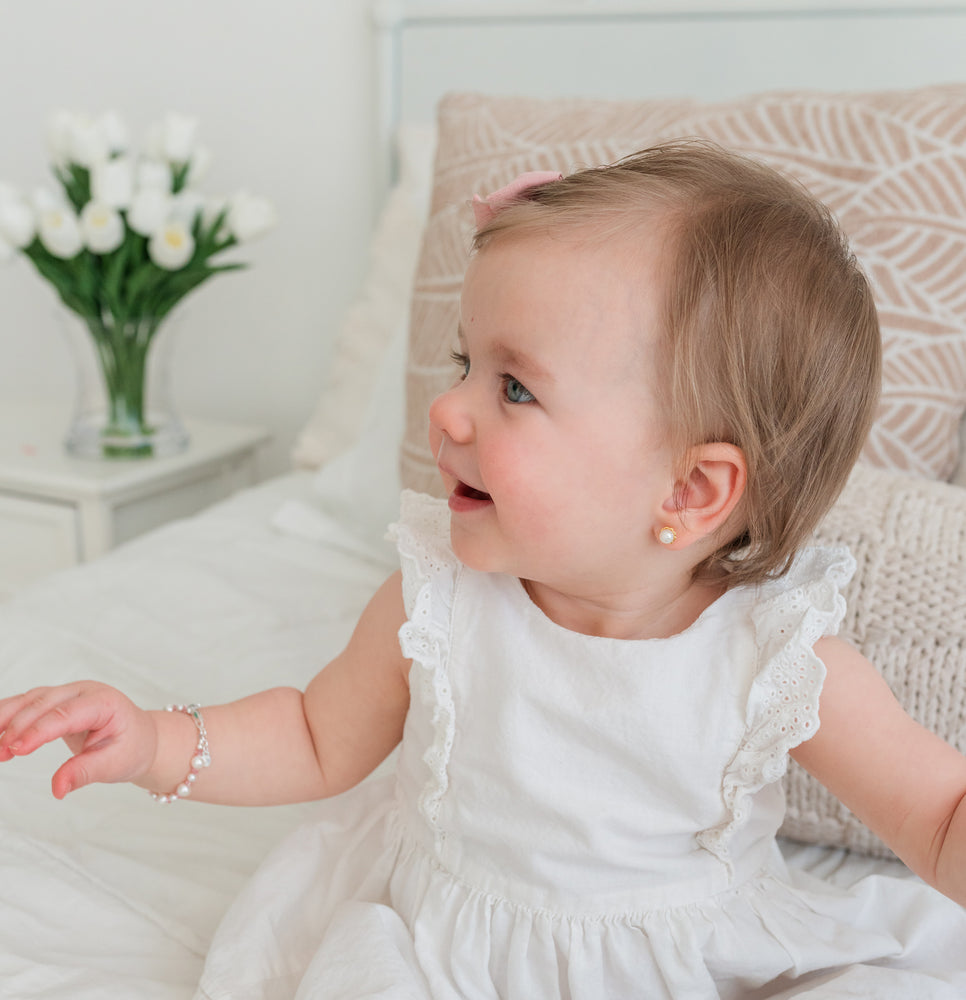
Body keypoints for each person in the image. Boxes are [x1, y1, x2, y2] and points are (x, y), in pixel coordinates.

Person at [1, 140, 965, 999]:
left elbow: (938, 814)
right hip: (446, 954)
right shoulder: (440, 603)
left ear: (690, 492)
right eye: (465, 363)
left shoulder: (776, 660)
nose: (448, 412)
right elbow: (311, 735)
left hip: (686, 964)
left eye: (513, 387)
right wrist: (153, 743)